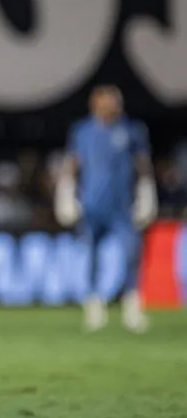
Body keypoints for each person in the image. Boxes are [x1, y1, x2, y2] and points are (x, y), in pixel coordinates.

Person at [54, 85, 157, 333]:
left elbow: (142, 164)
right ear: (95, 104)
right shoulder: (83, 131)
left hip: (122, 206)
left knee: (132, 254)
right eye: (107, 101)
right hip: (92, 205)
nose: (112, 105)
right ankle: (93, 306)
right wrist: (65, 192)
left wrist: (146, 192)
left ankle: (132, 307)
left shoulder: (132, 130)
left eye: (115, 101)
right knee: (90, 255)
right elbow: (73, 163)